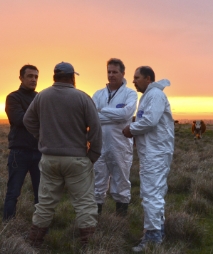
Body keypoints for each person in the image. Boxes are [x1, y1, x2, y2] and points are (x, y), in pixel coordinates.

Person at [23, 62, 102, 248]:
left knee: (45, 205)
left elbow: (28, 120)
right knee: (84, 205)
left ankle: (33, 246)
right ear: (72, 77)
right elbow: (96, 128)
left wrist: (41, 137)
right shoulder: (82, 98)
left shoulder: (42, 96)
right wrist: (93, 154)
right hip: (77, 159)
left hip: (49, 159)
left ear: (54, 77)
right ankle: (88, 247)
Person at [122, 66, 174, 252]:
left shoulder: (155, 96)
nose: (134, 81)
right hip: (152, 152)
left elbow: (150, 121)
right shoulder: (149, 96)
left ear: (148, 79)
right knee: (153, 192)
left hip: (156, 153)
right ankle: (157, 231)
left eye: (137, 77)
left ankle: (152, 237)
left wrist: (131, 129)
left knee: (152, 194)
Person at [92, 58, 138, 216]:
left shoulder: (130, 94)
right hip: (99, 144)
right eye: (109, 72)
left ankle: (120, 221)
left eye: (115, 72)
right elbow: (91, 117)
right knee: (98, 181)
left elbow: (126, 114)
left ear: (123, 73)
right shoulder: (98, 94)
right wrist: (115, 116)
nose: (111, 75)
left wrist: (101, 111)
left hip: (120, 145)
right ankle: (95, 220)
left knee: (121, 181)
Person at [3, 64, 42, 221]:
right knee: (13, 191)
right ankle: (7, 225)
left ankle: (40, 226)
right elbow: (19, 119)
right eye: (30, 76)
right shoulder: (13, 97)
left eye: (36, 76)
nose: (33, 79)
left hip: (39, 152)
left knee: (41, 194)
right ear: (21, 78)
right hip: (19, 152)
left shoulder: (41, 97)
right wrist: (40, 119)